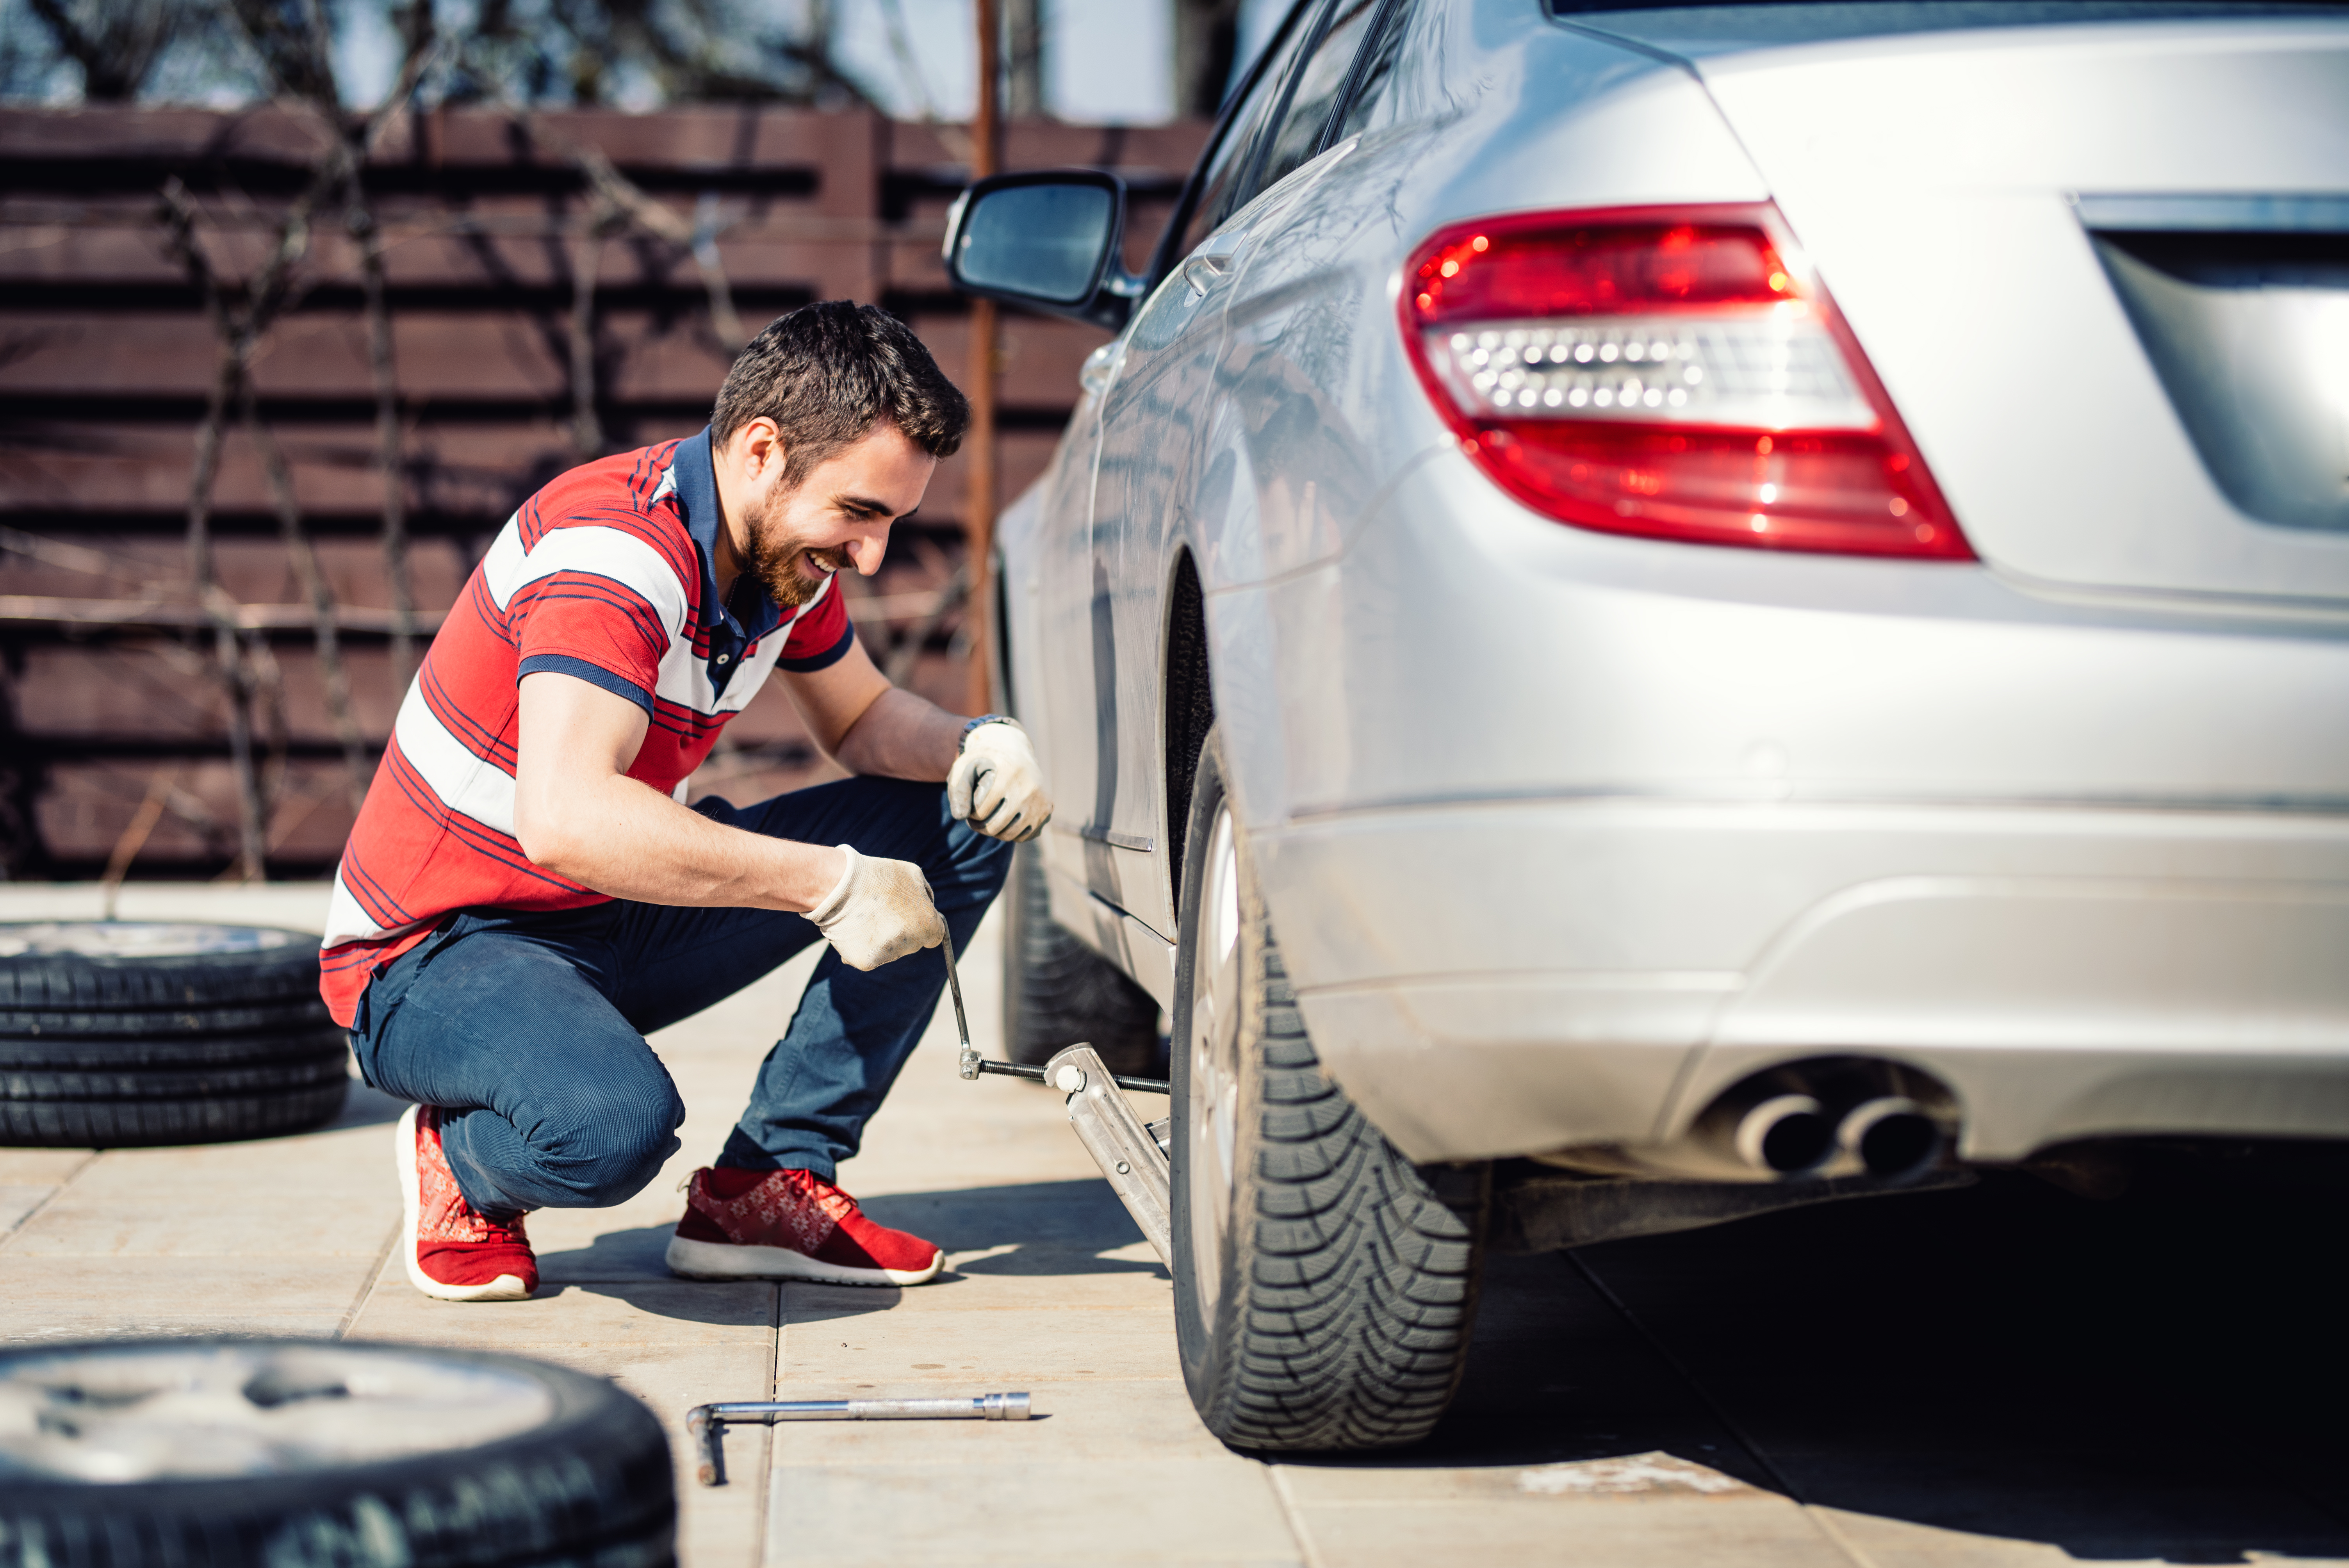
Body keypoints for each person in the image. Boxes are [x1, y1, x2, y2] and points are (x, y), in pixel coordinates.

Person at [318, 301, 1051, 1303]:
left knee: (957, 817)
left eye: (890, 522)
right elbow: (567, 817)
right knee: (607, 1133)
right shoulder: (612, 552)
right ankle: (466, 1162)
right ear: (762, 450)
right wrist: (827, 884)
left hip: (600, 911)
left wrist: (980, 745)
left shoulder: (779, 555)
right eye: (862, 513)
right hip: (438, 952)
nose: (872, 555)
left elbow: (864, 720)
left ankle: (768, 1179)